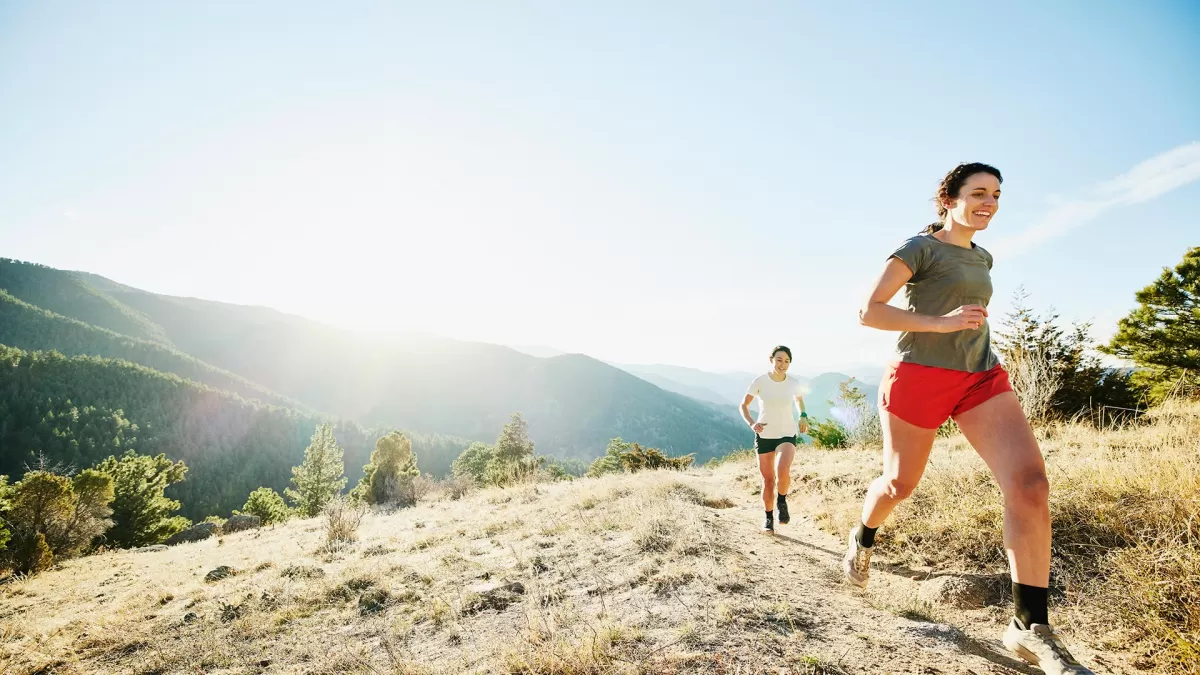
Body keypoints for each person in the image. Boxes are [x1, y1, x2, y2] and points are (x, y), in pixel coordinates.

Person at [843, 162, 1093, 674]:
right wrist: (942, 323)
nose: (990, 202)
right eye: (979, 192)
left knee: (1030, 485)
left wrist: (966, 331)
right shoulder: (919, 247)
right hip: (919, 376)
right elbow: (869, 311)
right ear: (948, 198)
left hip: (981, 377)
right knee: (898, 484)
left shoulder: (984, 256)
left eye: (997, 194)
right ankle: (862, 537)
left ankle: (1030, 627)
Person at [740, 345, 809, 534]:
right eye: (779, 360)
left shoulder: (793, 382)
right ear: (771, 360)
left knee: (783, 468)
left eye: (787, 361)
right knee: (768, 480)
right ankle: (768, 518)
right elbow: (743, 405)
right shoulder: (760, 381)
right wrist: (752, 423)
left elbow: (799, 399)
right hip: (764, 435)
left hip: (787, 432)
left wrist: (803, 414)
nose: (783, 364)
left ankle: (782, 501)